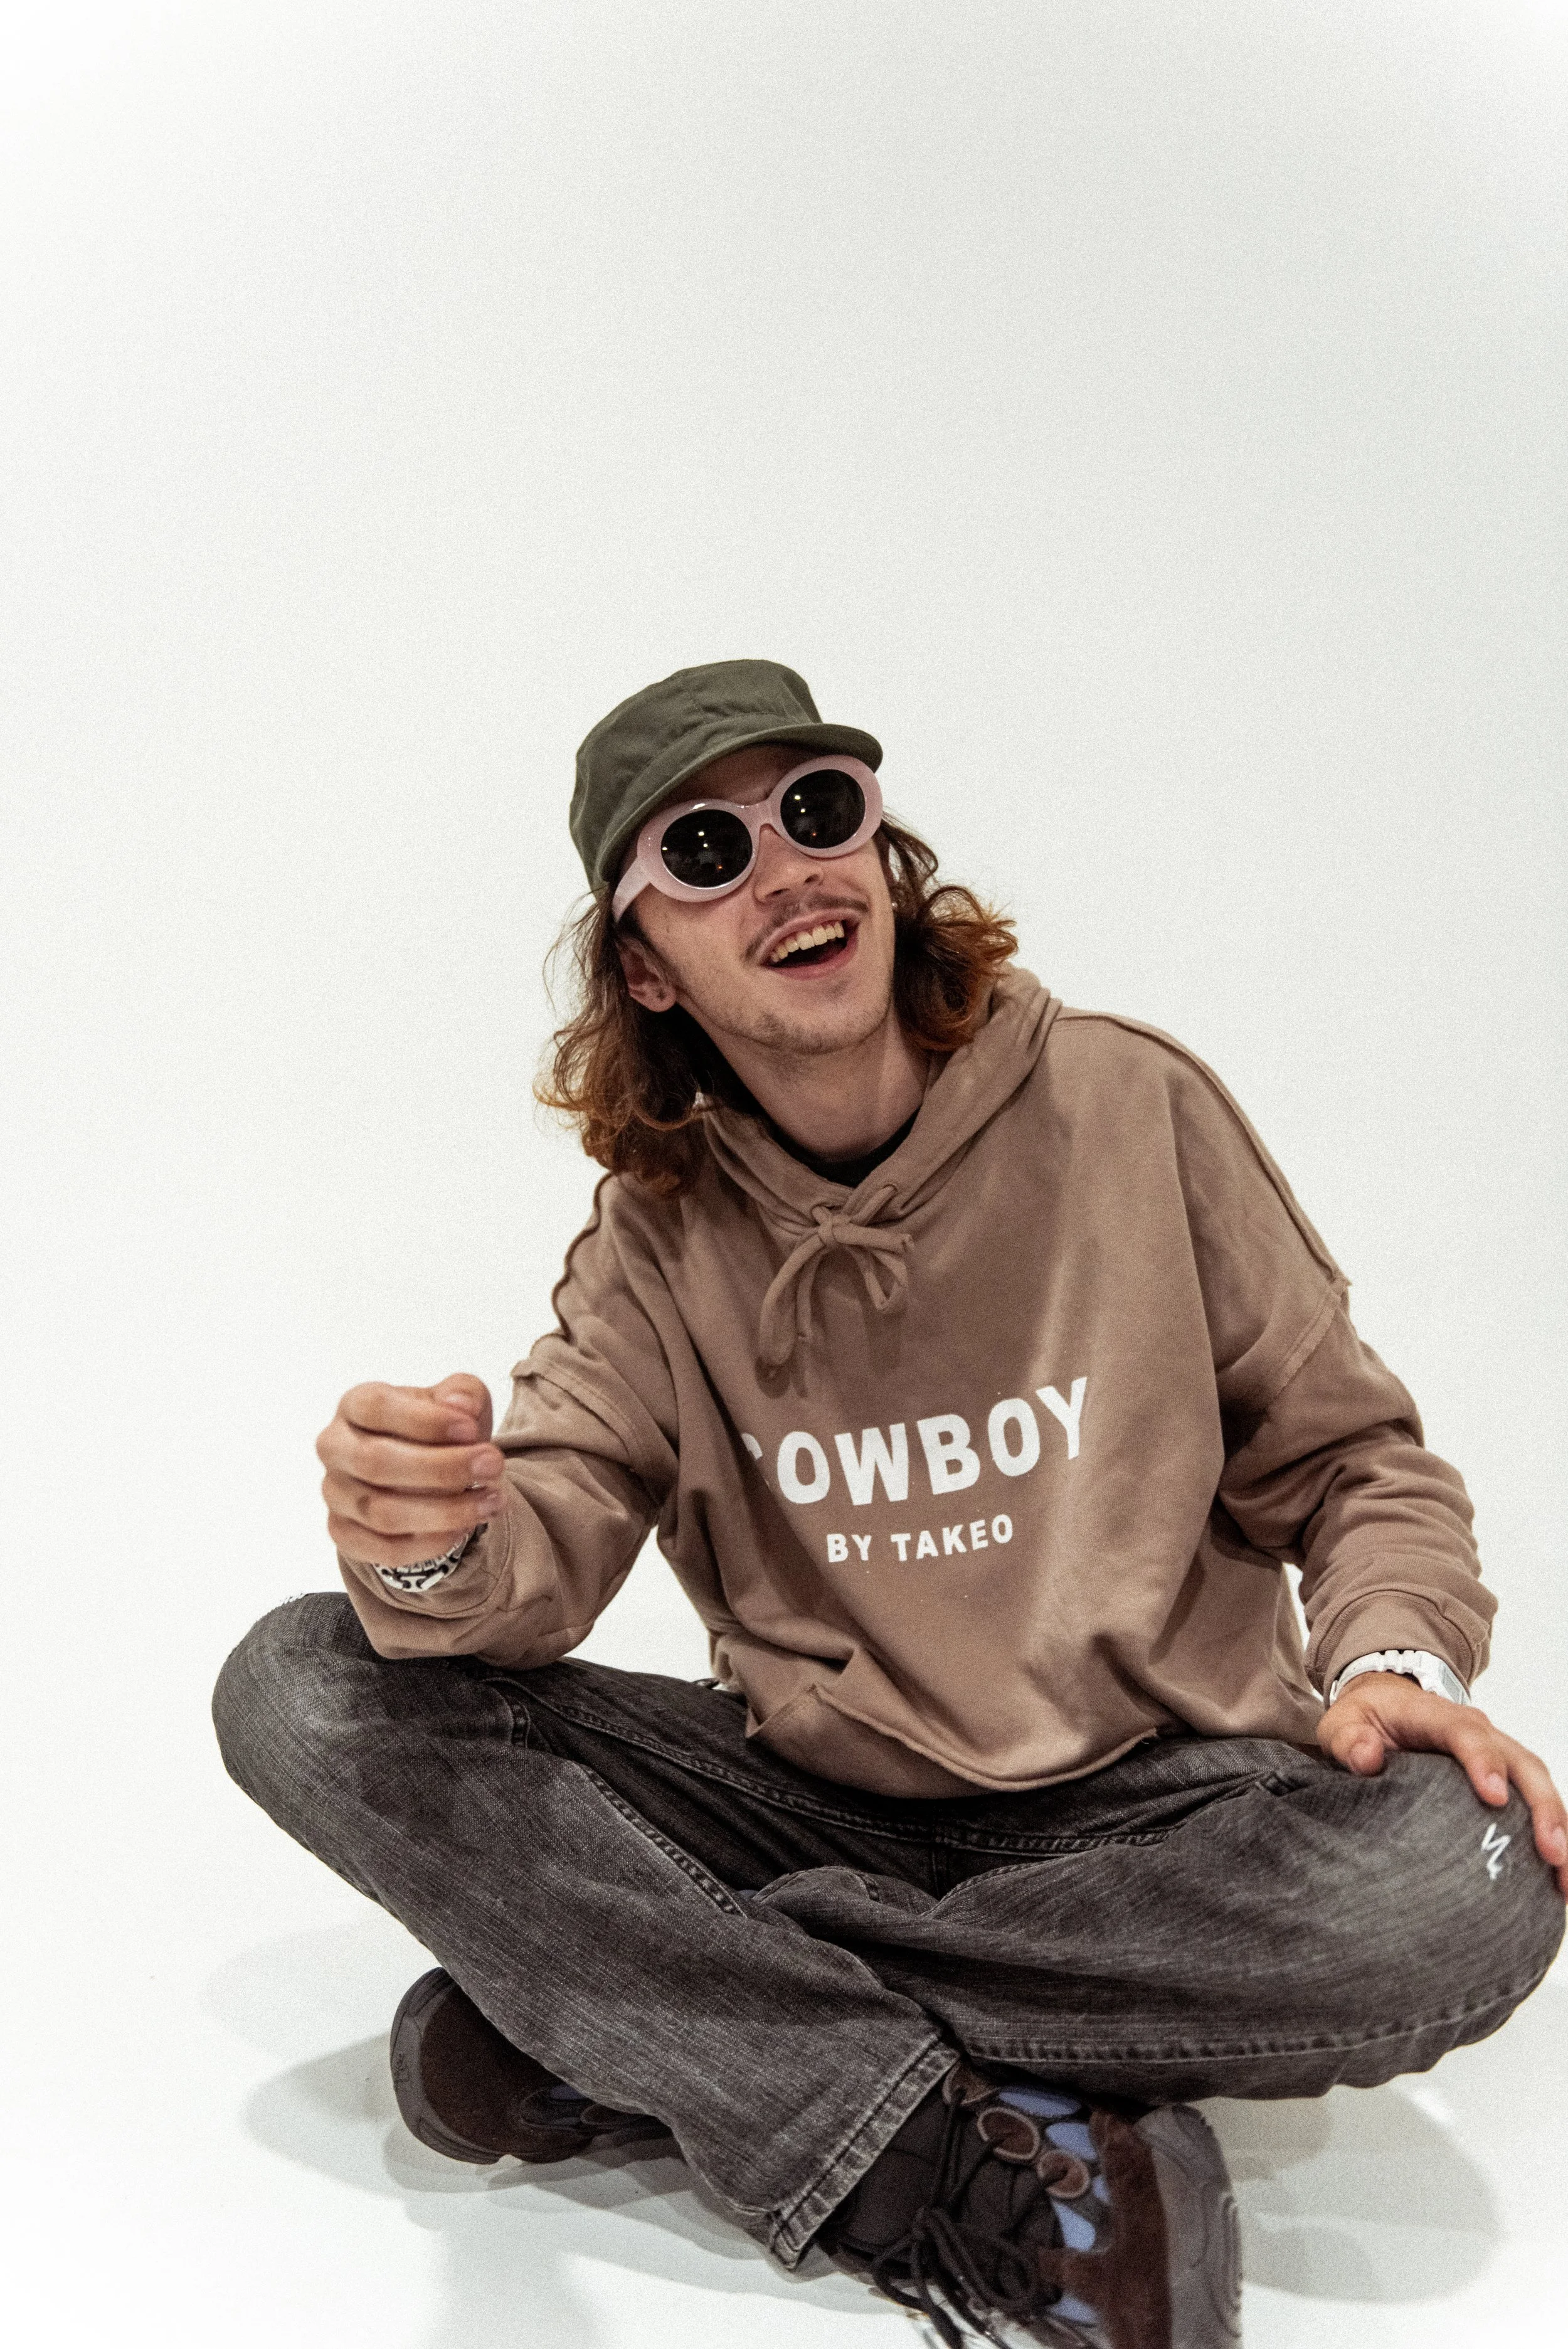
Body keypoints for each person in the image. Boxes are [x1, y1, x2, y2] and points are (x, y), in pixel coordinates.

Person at [214, 659, 1565, 2349]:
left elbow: (1356, 1459)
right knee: (300, 1684)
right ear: (644, 966)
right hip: (817, 1802)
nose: (786, 871)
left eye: (818, 810)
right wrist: (431, 1549)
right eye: (708, 851)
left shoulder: (1126, 1106)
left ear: (880, 851)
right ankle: (928, 2146)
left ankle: (649, 2022)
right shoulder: (654, 1245)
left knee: (1468, 1876)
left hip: (1163, 1811)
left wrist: (1394, 1662)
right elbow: (544, 1550)